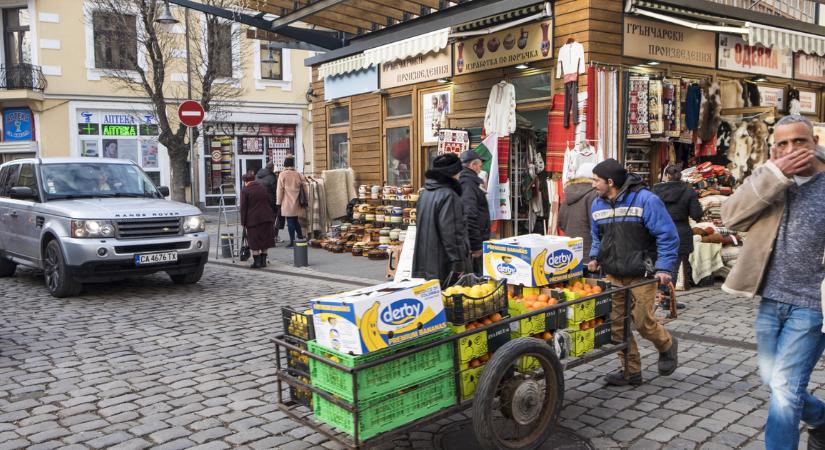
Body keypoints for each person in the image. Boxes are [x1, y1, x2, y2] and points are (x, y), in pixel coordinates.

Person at [721, 115, 825, 450]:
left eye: (799, 141)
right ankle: (822, 420)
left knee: (783, 388)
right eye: (782, 144)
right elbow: (730, 217)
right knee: (772, 380)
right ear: (773, 148)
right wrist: (776, 175)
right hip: (771, 300)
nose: (791, 149)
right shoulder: (769, 178)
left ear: (814, 142)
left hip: (812, 305)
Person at [587, 158, 680, 386]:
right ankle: (631, 371)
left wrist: (665, 267)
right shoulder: (597, 204)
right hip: (613, 274)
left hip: (642, 273)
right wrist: (594, 257)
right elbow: (598, 236)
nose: (592, 184)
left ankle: (667, 344)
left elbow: (667, 236)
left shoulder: (646, 200)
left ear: (610, 182)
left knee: (642, 322)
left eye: (596, 180)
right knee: (617, 325)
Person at [412, 153, 472, 286]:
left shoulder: (425, 193)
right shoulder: (449, 196)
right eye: (458, 171)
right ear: (453, 173)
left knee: (432, 303)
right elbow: (452, 233)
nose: (460, 175)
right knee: (451, 301)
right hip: (444, 264)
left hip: (424, 261)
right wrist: (458, 263)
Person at [652, 164, 703, 299]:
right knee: (673, 266)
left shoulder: (656, 190)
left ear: (666, 175)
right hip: (680, 231)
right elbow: (696, 214)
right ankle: (668, 299)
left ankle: (657, 297)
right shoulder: (688, 191)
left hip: (659, 231)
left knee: (657, 264)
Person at [458, 149, 490, 275]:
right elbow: (469, 214)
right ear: (473, 165)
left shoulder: (469, 182)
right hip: (473, 242)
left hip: (473, 239)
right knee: (474, 279)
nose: (480, 169)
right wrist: (476, 245)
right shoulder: (468, 183)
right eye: (479, 166)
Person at [558, 162, 598, 258]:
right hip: (589, 251)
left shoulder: (568, 192)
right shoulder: (594, 193)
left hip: (569, 250)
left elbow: (561, 222)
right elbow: (596, 225)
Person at [240, 173, 275, 269]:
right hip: (267, 217)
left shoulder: (245, 190)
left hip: (253, 220)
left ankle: (257, 263)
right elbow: (270, 201)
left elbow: (243, 208)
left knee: (254, 241)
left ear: (245, 181)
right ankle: (263, 262)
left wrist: (243, 222)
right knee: (265, 239)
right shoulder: (263, 188)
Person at [277, 156, 306, 248]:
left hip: (287, 202)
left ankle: (292, 241)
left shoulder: (282, 175)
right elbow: (305, 188)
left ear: (285, 164)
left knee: (290, 221)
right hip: (297, 201)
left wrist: (278, 202)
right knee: (295, 219)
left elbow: (279, 190)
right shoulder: (298, 174)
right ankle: (300, 236)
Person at [256, 162, 282, 250]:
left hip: (259, 202)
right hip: (270, 202)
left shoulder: (257, 175)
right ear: (272, 168)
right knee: (273, 220)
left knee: (262, 220)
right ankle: (272, 238)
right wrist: (278, 203)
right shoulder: (272, 177)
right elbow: (276, 192)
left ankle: (262, 238)